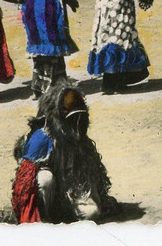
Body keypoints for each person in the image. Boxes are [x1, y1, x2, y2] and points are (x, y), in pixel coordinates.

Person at [10, 82, 118, 223]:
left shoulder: (77, 135)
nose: (76, 121)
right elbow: (24, 181)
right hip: (47, 194)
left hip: (70, 189)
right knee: (44, 179)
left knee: (91, 213)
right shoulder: (42, 137)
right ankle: (45, 217)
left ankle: (65, 213)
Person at [19, 0, 79, 99]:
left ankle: (39, 87)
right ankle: (55, 87)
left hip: (33, 8)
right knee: (54, 43)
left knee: (39, 45)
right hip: (51, 6)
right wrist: (72, 1)